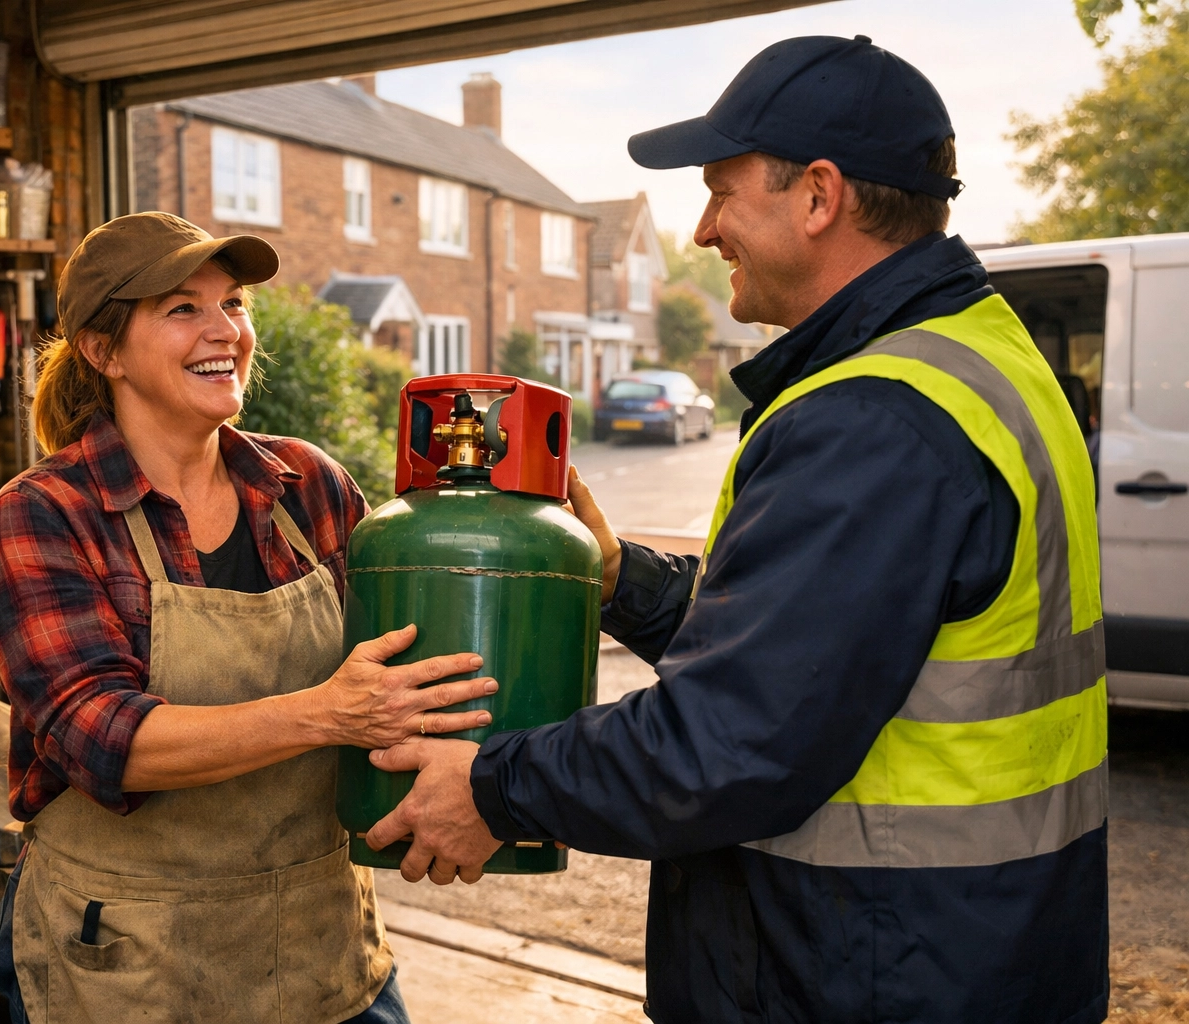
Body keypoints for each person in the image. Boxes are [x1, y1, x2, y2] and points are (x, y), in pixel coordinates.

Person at [365, 35, 1109, 1024]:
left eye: (722, 192)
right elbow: (811, 655)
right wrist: (622, 574)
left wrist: (494, 787)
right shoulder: (977, 355)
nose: (705, 229)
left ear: (818, 196)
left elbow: (735, 741)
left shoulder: (875, 416)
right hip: (971, 950)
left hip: (873, 973)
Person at [0, 212, 497, 1024]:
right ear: (103, 350)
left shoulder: (307, 484)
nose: (226, 330)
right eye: (183, 308)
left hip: (317, 938)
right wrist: (326, 715)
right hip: (128, 956)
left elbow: (401, 672)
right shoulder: (47, 512)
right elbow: (99, 736)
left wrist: (482, 790)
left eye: (236, 304)